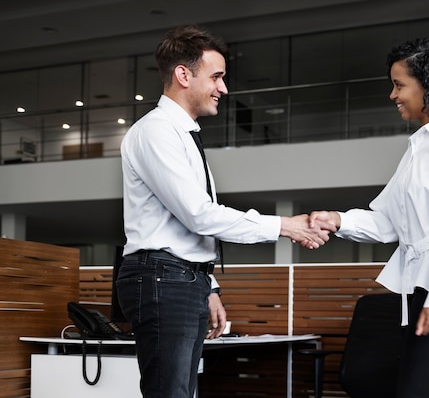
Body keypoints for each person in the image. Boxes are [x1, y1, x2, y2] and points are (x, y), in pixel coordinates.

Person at [117, 24, 334, 398]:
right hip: (162, 278)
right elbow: (199, 215)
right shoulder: (156, 132)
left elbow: (188, 225)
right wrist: (285, 226)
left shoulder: (182, 134)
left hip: (182, 278)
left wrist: (209, 287)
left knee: (182, 392)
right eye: (216, 77)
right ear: (183, 75)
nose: (224, 88)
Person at [310, 36, 429, 398]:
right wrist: (336, 219)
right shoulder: (418, 146)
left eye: (399, 85)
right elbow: (387, 222)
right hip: (419, 282)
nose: (392, 95)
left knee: (416, 391)